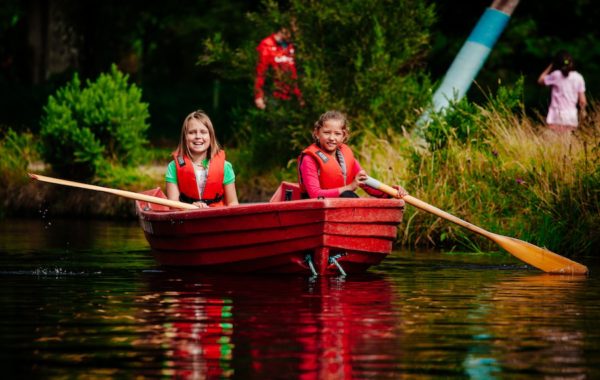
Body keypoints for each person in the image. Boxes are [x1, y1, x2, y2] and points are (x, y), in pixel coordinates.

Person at [297, 110, 408, 199]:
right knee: (348, 194)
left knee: (347, 195)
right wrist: (349, 187)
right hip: (318, 209)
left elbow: (365, 181)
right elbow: (315, 194)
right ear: (317, 133)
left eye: (337, 134)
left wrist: (390, 192)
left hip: (341, 205)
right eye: (326, 132)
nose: (331, 138)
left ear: (344, 136)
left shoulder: (346, 155)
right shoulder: (309, 159)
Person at [165, 110, 239, 208]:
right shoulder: (173, 167)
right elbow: (173, 205)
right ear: (184, 137)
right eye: (192, 132)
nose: (198, 136)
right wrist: (190, 207)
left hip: (216, 217)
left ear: (211, 137)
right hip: (186, 216)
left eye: (203, 132)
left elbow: (233, 203)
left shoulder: (225, 167)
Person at [254, 26, 303, 110]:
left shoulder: (292, 45)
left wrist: (300, 96)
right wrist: (259, 96)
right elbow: (261, 72)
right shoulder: (267, 45)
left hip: (293, 94)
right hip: (275, 95)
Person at [537, 50, 587, 133]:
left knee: (554, 143)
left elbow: (540, 80)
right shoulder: (579, 77)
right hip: (571, 116)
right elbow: (582, 101)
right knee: (567, 144)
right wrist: (583, 111)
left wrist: (551, 65)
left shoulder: (556, 75)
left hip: (555, 115)